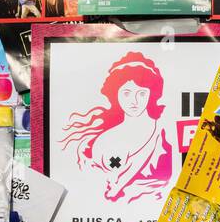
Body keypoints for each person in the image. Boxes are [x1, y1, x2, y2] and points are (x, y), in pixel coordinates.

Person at [60, 51, 173, 203]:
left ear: (151, 94)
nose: (134, 101)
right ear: (115, 94)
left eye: (141, 93)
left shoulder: (165, 129)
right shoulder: (105, 141)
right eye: (126, 93)